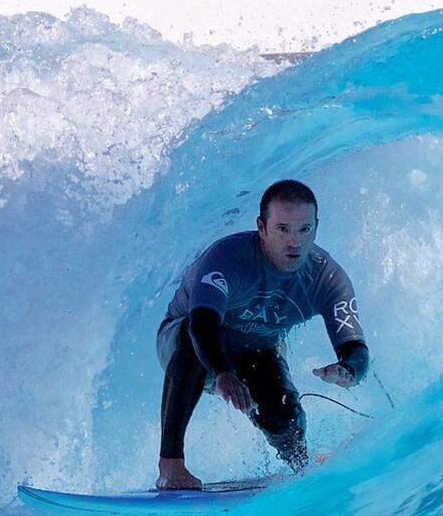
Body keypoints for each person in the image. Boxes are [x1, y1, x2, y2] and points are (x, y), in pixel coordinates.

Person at [155, 179, 370, 490]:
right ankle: (171, 465)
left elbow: (357, 349)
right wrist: (224, 373)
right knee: (192, 342)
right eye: (283, 229)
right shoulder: (227, 257)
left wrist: (347, 370)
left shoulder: (327, 278)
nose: (294, 242)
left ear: (316, 227)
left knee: (282, 417)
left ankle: (300, 465)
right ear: (262, 226)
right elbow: (201, 324)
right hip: (186, 343)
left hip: (256, 353)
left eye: (304, 230)